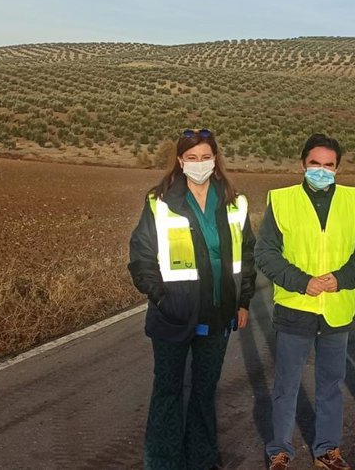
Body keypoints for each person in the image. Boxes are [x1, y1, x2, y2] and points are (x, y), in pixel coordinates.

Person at [127, 128, 256, 470]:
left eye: (206, 157)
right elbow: (141, 257)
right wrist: (161, 298)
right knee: (168, 391)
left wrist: (243, 301)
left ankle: (202, 458)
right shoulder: (159, 202)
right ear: (180, 161)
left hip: (218, 314)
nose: (200, 164)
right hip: (173, 314)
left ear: (215, 160)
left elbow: (247, 255)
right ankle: (162, 462)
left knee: (204, 391)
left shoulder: (235, 202)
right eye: (192, 158)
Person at [255, 134, 355, 470]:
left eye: (329, 165)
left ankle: (327, 450)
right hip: (296, 307)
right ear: (303, 164)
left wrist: (343, 278)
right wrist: (302, 282)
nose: (321, 171)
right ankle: (280, 452)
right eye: (315, 164)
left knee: (331, 385)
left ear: (337, 168)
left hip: (336, 308)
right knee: (286, 386)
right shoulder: (282, 201)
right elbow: (265, 252)